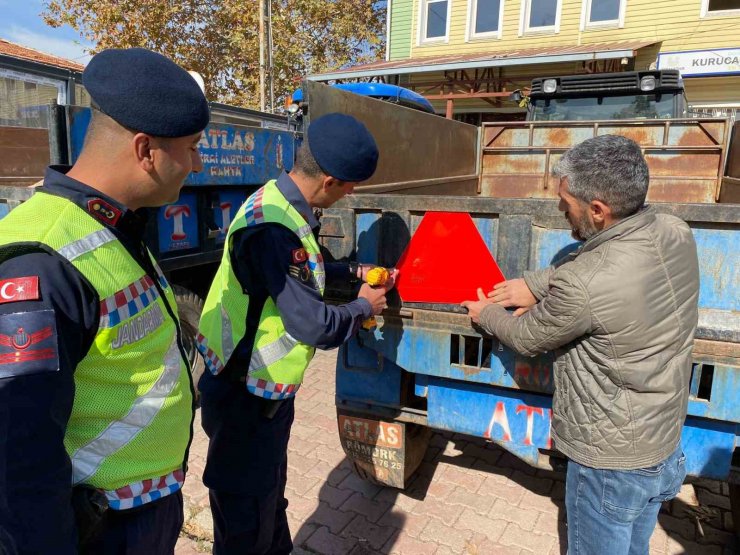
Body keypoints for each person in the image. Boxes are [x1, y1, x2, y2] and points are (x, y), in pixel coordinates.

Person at [0, 48, 208, 554]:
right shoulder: (42, 262)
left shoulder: (112, 224)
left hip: (141, 507)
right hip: (102, 527)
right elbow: (18, 456)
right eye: (193, 148)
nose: (198, 164)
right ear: (146, 151)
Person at [462, 134, 699, 555]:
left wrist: (487, 315)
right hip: (662, 443)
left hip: (609, 462)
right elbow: (604, 268)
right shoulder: (673, 230)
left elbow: (527, 336)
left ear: (597, 210)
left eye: (565, 201)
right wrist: (536, 283)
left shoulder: (586, 283)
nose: (559, 209)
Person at [196, 112, 394, 555]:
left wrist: (354, 271)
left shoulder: (279, 202)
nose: (352, 193)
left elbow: (306, 271)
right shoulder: (273, 228)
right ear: (329, 181)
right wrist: (365, 305)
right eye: (350, 186)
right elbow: (314, 325)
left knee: (267, 500)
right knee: (245, 519)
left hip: (256, 393)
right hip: (245, 395)